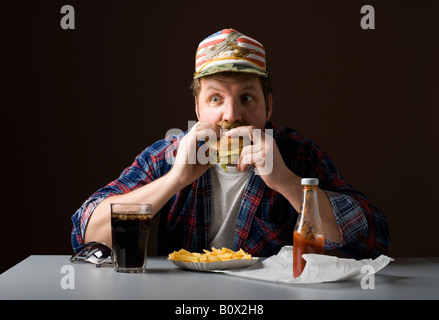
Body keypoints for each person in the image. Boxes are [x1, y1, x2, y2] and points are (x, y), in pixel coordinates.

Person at [71, 28, 390, 258]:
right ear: (198, 109)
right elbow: (88, 236)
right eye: (215, 98)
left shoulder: (297, 154)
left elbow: (372, 240)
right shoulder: (170, 154)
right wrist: (175, 180)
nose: (231, 114)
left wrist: (288, 183)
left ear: (269, 107)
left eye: (247, 98)